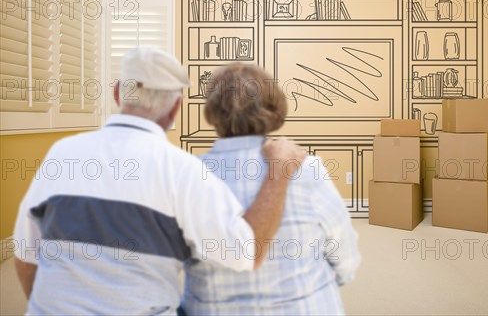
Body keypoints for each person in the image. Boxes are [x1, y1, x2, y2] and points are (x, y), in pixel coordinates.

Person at [13, 48, 305, 315]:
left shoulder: (62, 153)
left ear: (117, 93)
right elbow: (246, 253)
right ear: (175, 108)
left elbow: (26, 256)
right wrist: (278, 171)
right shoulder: (184, 172)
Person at [182, 63, 361, 315]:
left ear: (212, 111)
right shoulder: (307, 169)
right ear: (273, 107)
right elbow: (342, 249)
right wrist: (337, 279)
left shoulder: (187, 176)